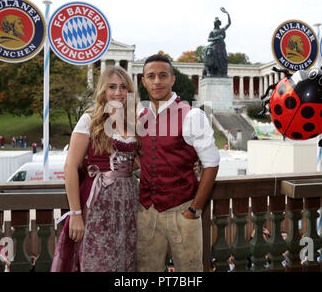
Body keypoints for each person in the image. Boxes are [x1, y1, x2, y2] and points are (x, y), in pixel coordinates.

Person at [50, 66, 140, 272]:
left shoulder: (132, 122)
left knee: (124, 258)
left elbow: (136, 162)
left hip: (128, 202)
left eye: (123, 87)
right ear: (103, 90)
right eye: (112, 87)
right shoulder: (89, 120)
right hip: (97, 198)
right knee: (98, 259)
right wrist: (75, 213)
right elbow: (70, 166)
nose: (118, 92)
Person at [136, 54, 220, 272]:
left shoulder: (192, 115)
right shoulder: (139, 117)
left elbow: (211, 164)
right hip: (147, 211)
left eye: (163, 75)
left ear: (172, 79)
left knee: (190, 272)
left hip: (183, 209)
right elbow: (141, 157)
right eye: (151, 76)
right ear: (143, 81)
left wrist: (194, 210)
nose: (157, 81)